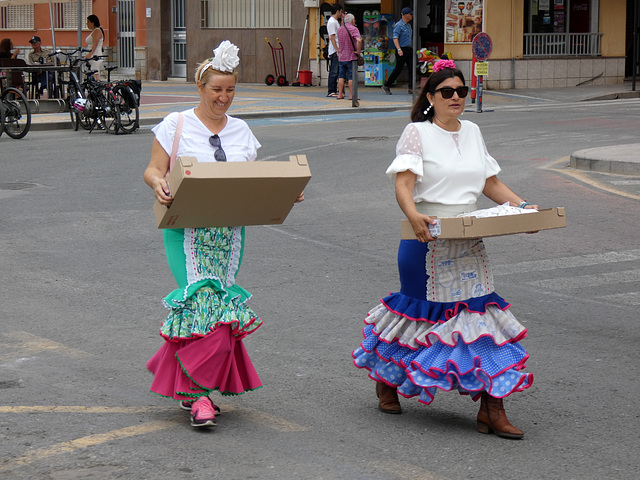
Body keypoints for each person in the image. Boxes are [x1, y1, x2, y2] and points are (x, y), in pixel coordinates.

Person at [352, 59, 538, 440]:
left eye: (461, 91)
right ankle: (388, 380)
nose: (455, 98)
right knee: (421, 320)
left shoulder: (472, 130)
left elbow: (490, 182)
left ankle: (492, 407)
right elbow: (403, 184)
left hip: (469, 238)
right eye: (446, 92)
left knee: (480, 322)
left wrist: (522, 208)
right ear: (431, 97)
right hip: (425, 241)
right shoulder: (416, 132)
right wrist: (413, 215)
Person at [144, 41, 304, 428]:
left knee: (217, 303)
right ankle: (201, 397)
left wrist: (283, 189)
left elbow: (247, 179)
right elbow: (153, 169)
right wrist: (157, 184)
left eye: (230, 90)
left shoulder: (242, 130)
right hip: (185, 229)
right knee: (203, 304)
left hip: (229, 232)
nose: (223, 97)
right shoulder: (176, 123)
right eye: (216, 89)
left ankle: (188, 383)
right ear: (200, 88)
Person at [382, 7, 414, 95]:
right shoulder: (399, 25)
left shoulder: (408, 25)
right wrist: (399, 49)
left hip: (408, 49)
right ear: (405, 15)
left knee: (412, 68)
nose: (412, 15)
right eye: (410, 14)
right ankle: (387, 85)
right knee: (398, 69)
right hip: (402, 49)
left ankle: (411, 88)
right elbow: (395, 38)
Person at [336, 13, 361, 100]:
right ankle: (352, 95)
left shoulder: (339, 30)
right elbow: (359, 40)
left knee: (341, 76)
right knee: (351, 76)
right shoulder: (354, 29)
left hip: (341, 56)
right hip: (351, 56)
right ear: (352, 20)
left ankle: (340, 94)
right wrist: (358, 51)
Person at [326, 3, 343, 98]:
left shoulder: (335, 21)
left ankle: (334, 90)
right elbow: (332, 37)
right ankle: (331, 90)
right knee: (334, 71)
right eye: (340, 12)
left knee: (336, 71)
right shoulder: (332, 22)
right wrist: (337, 49)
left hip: (336, 50)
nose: (341, 14)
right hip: (334, 51)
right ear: (337, 11)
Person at [85, 15, 104, 80]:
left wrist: (90, 54)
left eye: (88, 22)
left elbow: (95, 44)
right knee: (93, 73)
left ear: (92, 23)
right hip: (93, 56)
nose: (87, 24)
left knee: (95, 74)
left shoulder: (97, 31)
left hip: (95, 55)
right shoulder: (94, 31)